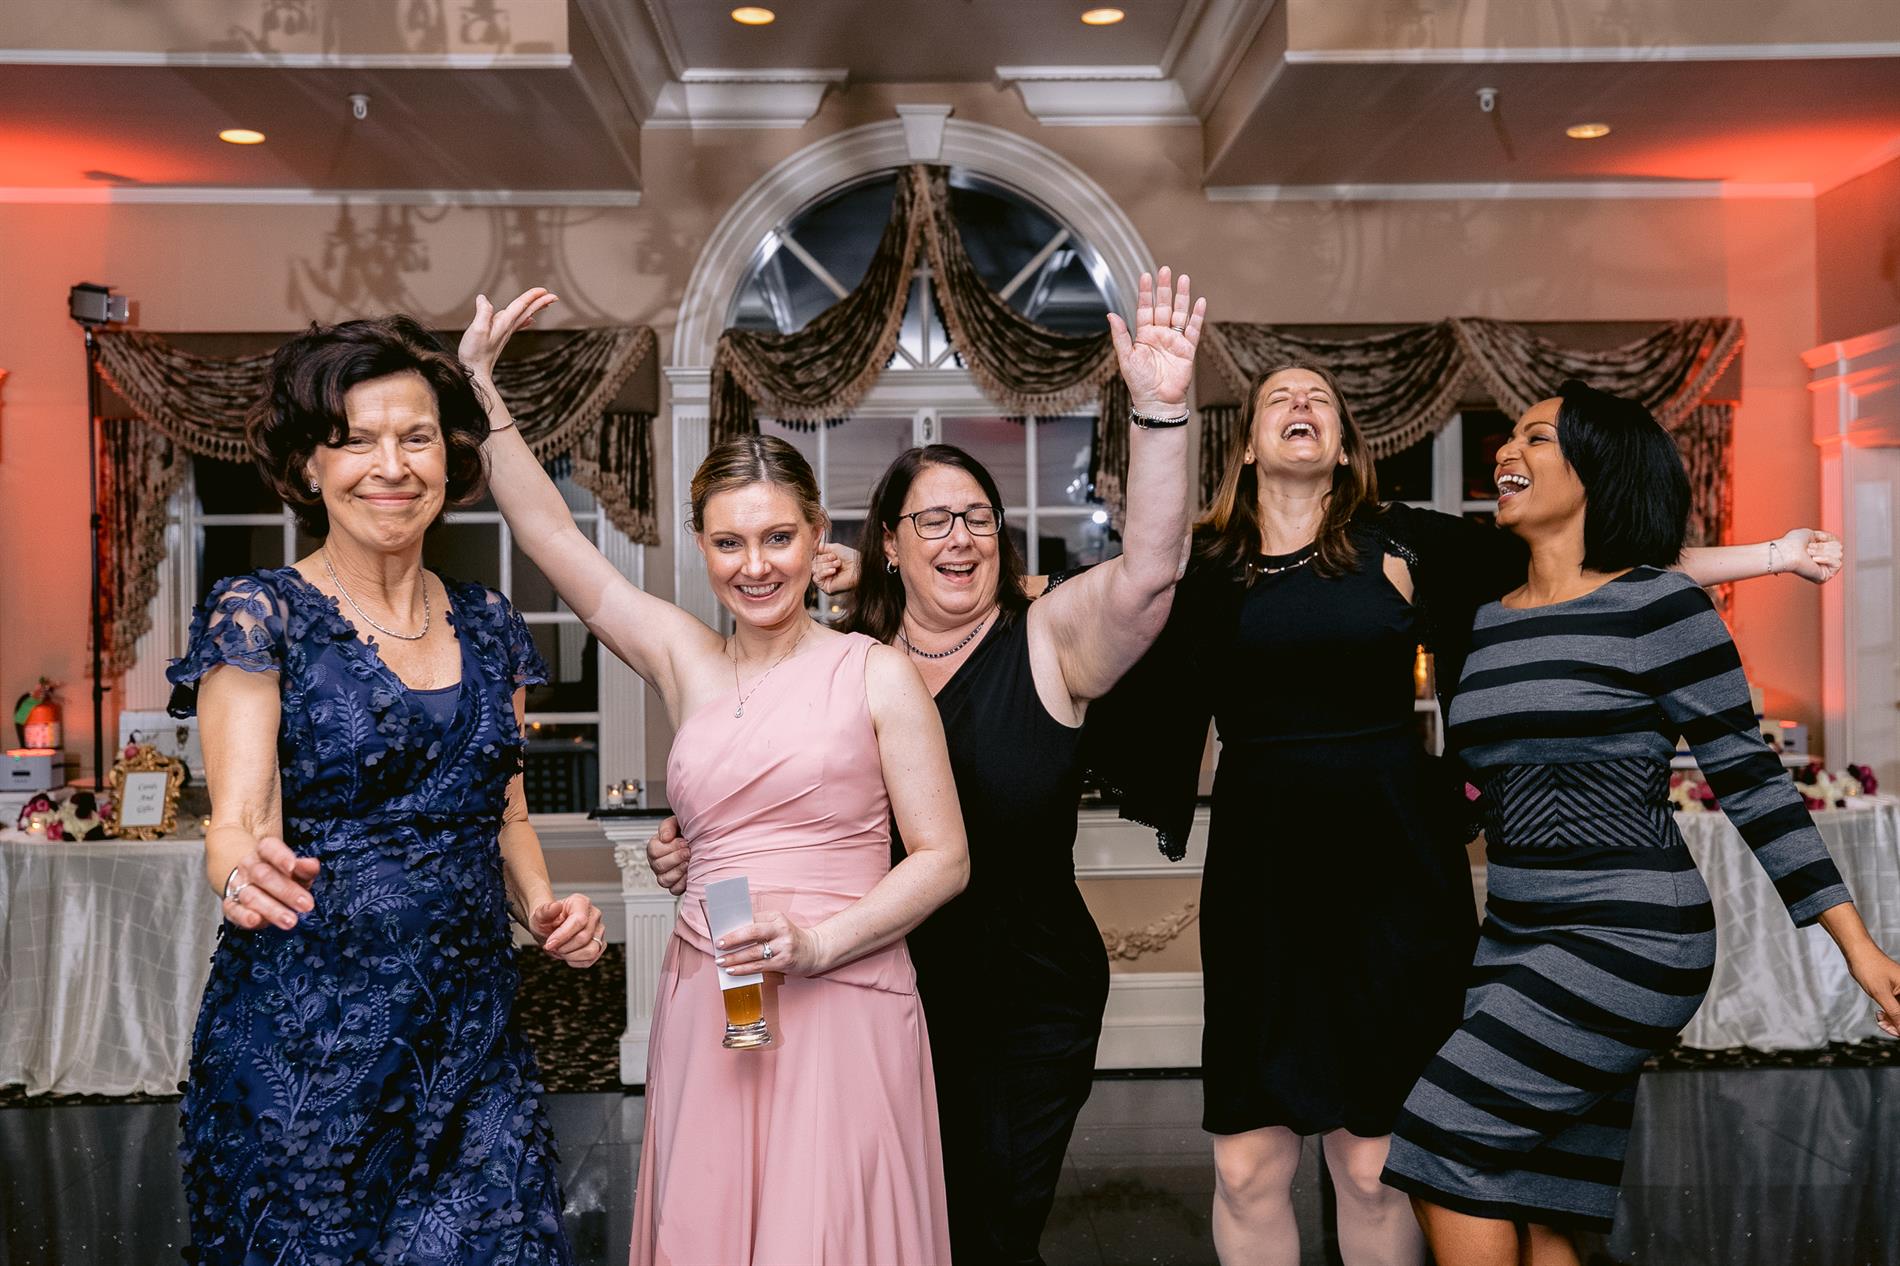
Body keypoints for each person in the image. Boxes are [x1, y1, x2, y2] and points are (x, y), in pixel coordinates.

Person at [1090, 362, 1846, 1266]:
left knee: (1373, 1164)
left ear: (1344, 449)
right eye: (1279, 398)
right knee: (1248, 1164)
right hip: (1262, 878)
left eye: (1321, 398)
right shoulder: (1201, 565)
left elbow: (1594, 570)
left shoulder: (1404, 542)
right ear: (1247, 447)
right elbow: (1088, 606)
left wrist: (1772, 554)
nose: (1301, 404)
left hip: (1395, 875)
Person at [650, 267, 1202, 1264]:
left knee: (990, 1233)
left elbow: (1154, 572)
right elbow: (763, 782)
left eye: (979, 516)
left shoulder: (1048, 639)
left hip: (1023, 1000)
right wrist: (692, 841)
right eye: (933, 521)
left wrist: (1161, 415)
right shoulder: (853, 661)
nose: (961, 537)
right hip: (869, 989)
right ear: (890, 547)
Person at [460, 290, 971, 1265]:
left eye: (777, 537)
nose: (755, 566)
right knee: (716, 1218)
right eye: (729, 543)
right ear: (701, 546)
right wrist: (481, 386)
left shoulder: (874, 671)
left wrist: (818, 943)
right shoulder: (684, 658)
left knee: (826, 1229)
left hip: (846, 988)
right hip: (717, 986)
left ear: (815, 533)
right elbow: (554, 539)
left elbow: (944, 858)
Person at [1379, 380, 1900, 1265]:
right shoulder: (1486, 621)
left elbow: (1753, 784)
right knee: (1536, 1197)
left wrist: (1859, 947)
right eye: (1508, 437)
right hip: (1514, 933)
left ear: (1599, 470)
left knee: (1442, 1146)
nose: (1506, 452)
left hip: (1632, 934)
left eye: (1536, 438)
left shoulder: (1659, 607)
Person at [168, 314, 605, 1265]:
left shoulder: (490, 623)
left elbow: (506, 812)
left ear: (448, 461)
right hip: (309, 1046)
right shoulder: (262, 614)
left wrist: (543, 906)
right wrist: (243, 873)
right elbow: (236, 821)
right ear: (309, 465)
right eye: (356, 440)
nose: (391, 466)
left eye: (416, 437)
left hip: (473, 1044)